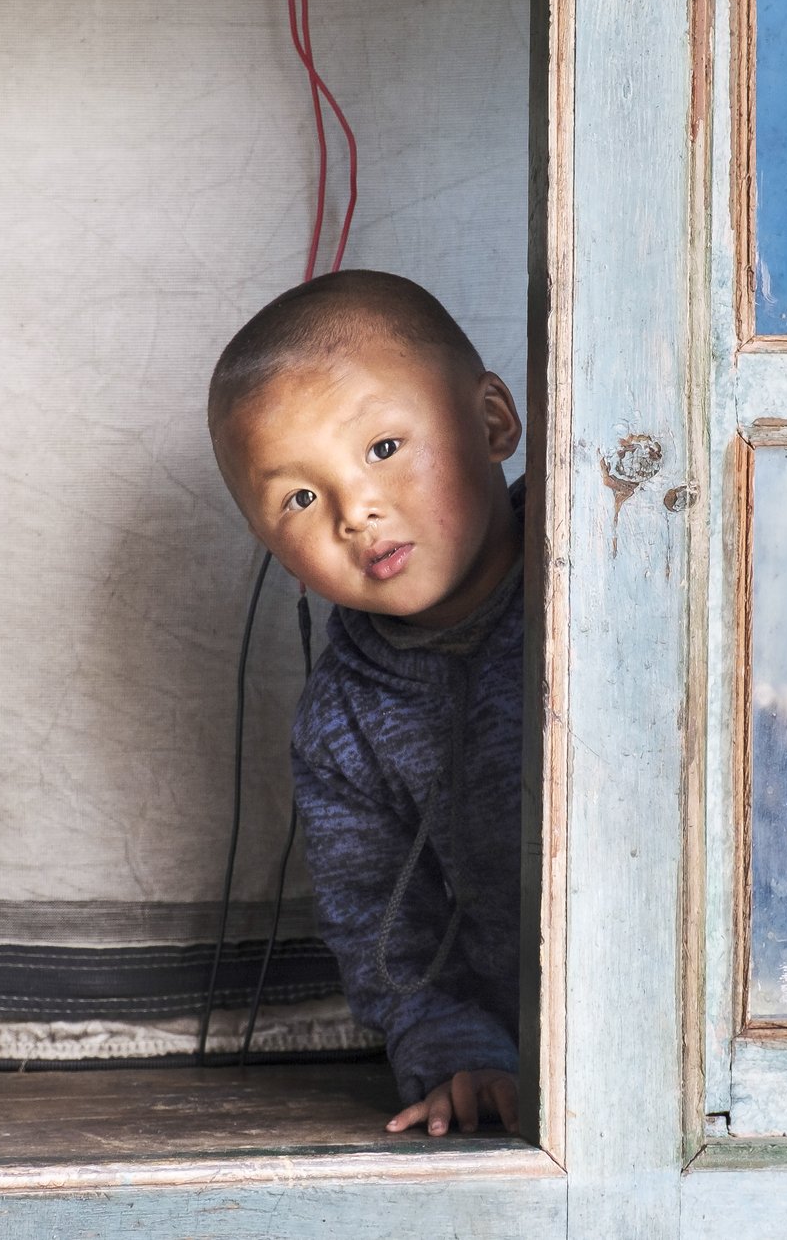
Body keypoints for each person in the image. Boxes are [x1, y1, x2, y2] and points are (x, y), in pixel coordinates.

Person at [208, 270, 525, 1138]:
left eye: (383, 447)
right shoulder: (341, 723)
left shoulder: (608, 572)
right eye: (301, 498)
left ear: (492, 422)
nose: (357, 510)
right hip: (527, 1065)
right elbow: (390, 937)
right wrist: (462, 1058)